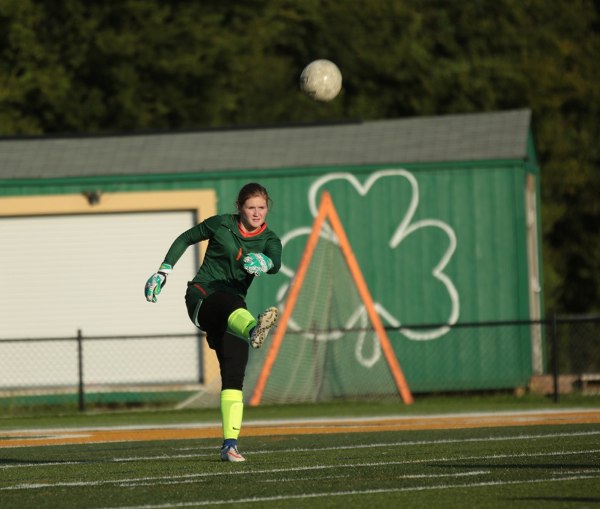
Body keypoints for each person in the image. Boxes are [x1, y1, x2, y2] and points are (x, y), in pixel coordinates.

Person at [144, 182, 281, 462]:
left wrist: (266, 263)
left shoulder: (270, 239)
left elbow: (276, 261)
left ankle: (229, 445)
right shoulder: (221, 224)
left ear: (268, 208)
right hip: (203, 296)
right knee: (228, 303)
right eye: (250, 207)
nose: (256, 213)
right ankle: (254, 329)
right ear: (239, 208)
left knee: (234, 370)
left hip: (233, 310)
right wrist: (163, 272)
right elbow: (185, 238)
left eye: (262, 207)